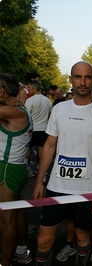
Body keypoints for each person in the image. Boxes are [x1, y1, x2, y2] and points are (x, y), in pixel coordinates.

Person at [33, 61, 92, 266]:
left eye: (87, 77)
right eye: (77, 77)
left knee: (82, 238)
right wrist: (38, 181)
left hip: (87, 191)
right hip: (56, 187)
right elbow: (50, 147)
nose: (82, 82)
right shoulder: (59, 109)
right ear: (70, 80)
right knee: (43, 241)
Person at [0, 73, 33, 266]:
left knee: (7, 221)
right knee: (17, 211)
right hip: (16, 166)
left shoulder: (14, 112)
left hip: (7, 168)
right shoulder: (16, 109)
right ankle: (21, 251)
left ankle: (5, 262)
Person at [24, 79, 52, 178]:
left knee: (28, 150)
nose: (27, 89)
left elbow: (26, 115)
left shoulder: (30, 100)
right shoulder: (47, 100)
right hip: (44, 128)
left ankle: (28, 170)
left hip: (32, 129)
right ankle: (42, 172)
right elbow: (50, 114)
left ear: (34, 88)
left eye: (29, 87)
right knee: (42, 152)